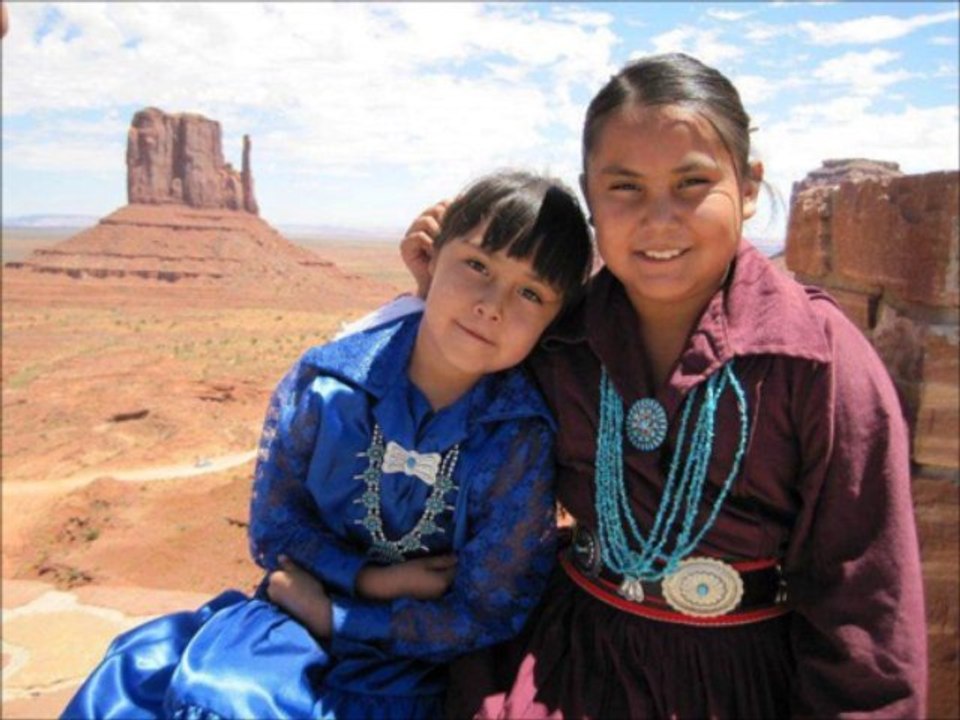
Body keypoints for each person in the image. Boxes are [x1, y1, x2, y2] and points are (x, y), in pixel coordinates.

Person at [400, 54, 927, 718]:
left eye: (692, 183)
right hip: (569, 660)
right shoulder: (559, 338)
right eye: (624, 187)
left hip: (739, 681)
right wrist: (433, 295)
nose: (659, 219)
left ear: (747, 187)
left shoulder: (813, 358)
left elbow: (866, 601)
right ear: (590, 199)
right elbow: (438, 430)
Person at [60, 169, 594, 720]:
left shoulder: (518, 438)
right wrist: (369, 581)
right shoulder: (329, 388)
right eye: (477, 265)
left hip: (421, 659)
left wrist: (340, 617)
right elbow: (276, 528)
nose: (492, 304)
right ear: (431, 259)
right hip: (287, 630)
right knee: (218, 699)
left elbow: (489, 609)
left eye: (530, 292)